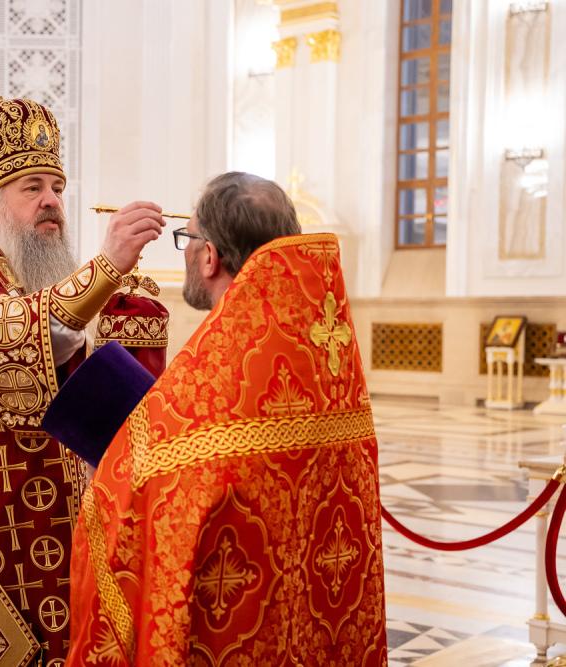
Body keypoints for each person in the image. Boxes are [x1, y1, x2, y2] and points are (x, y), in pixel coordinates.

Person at [65, 172, 387, 665]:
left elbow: (132, 516)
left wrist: (108, 469)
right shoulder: (331, 370)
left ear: (210, 256)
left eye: (188, 238)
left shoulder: (202, 394)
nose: (187, 251)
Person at [0, 93, 164, 662]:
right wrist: (105, 268)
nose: (52, 201)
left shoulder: (36, 280)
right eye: (32, 189)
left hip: (58, 514)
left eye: (57, 188)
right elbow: (8, 346)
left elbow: (80, 376)